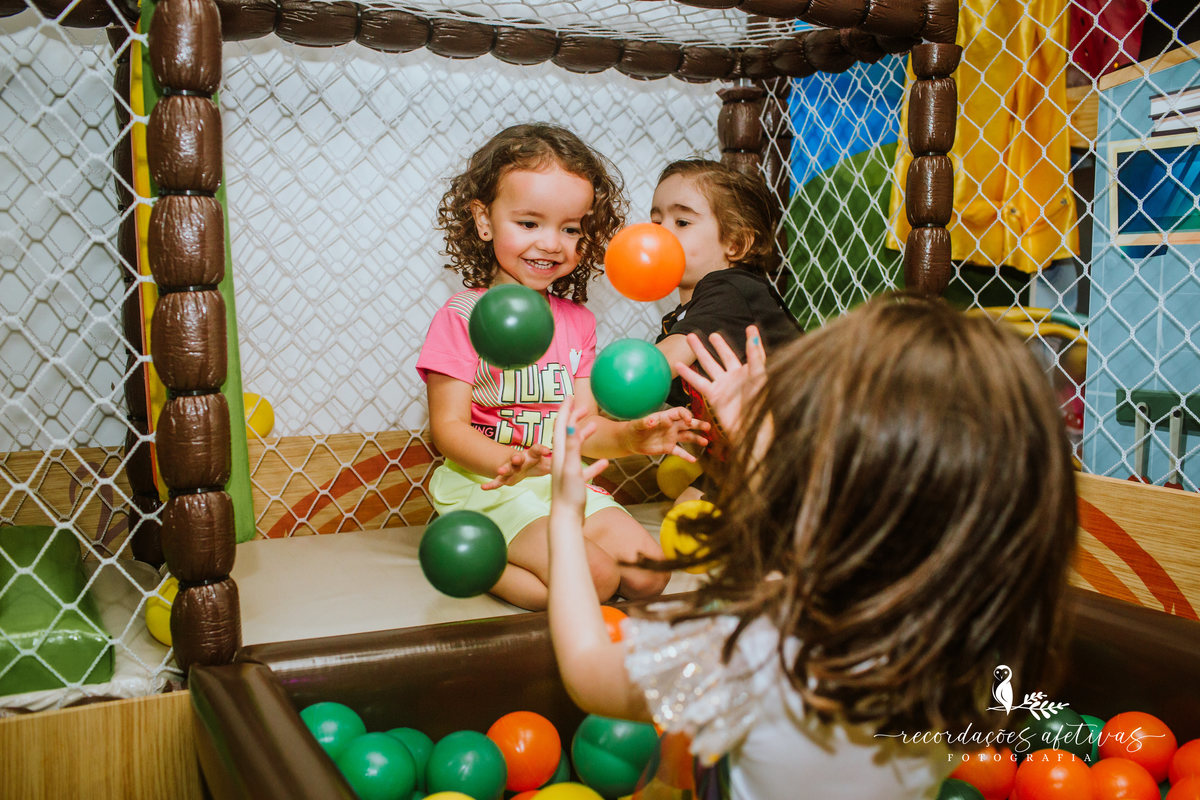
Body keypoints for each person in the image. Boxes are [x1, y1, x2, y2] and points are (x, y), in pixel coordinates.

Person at [547, 294, 1079, 798]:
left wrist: (566, 515)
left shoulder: (749, 649)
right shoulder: (989, 651)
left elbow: (588, 668)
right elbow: (801, 550)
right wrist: (756, 442)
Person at [417, 123, 709, 611]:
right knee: (592, 581)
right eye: (529, 223)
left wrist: (634, 438)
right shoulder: (462, 316)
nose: (552, 243)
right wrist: (506, 464)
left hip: (565, 484)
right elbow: (446, 429)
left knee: (647, 575)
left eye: (570, 228)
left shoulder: (578, 324)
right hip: (489, 489)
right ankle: (476, 555)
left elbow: (583, 430)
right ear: (484, 221)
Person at [649, 159, 799, 503]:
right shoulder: (684, 316)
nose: (660, 233)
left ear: (734, 243)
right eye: (656, 221)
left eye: (681, 221)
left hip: (795, 453)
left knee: (687, 523)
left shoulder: (729, 289)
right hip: (745, 453)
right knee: (675, 478)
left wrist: (583, 397)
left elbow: (654, 368)